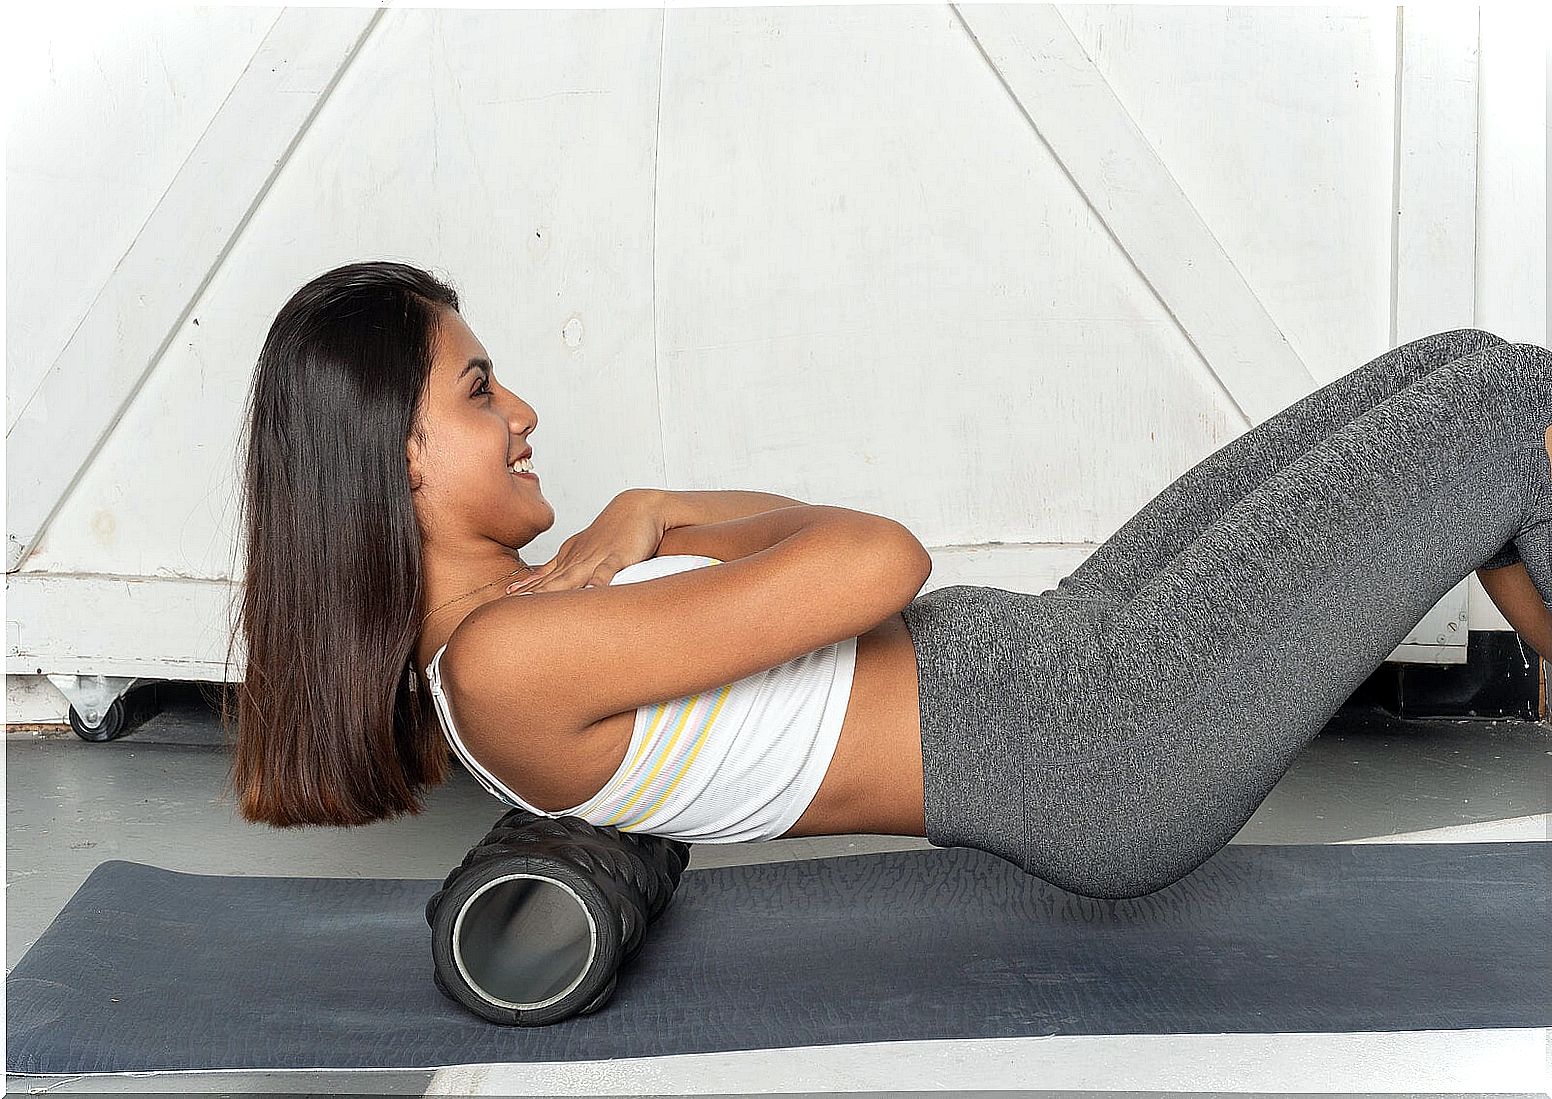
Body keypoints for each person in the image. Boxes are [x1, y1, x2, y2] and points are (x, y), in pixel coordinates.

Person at [225, 260, 1550, 904]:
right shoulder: (504, 664)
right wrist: (667, 510)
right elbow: (877, 560)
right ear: (390, 464)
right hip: (1099, 739)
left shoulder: (548, 603)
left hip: (1073, 648)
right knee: (1505, 409)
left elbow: (821, 545)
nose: (518, 407)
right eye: (474, 389)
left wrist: (652, 514)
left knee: (1458, 366)